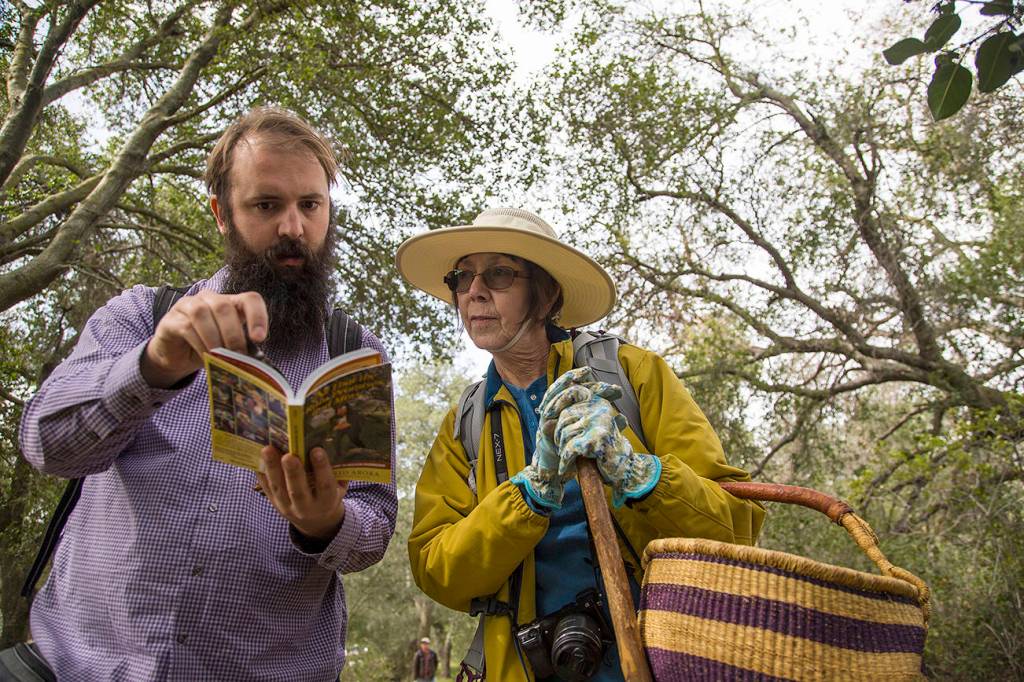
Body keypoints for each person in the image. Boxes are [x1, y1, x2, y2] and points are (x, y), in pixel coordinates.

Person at [19, 107, 397, 680]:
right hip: (79, 664)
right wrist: (153, 367)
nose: (293, 228)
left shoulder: (355, 356)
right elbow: (47, 445)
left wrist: (326, 522)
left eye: (310, 205)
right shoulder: (139, 317)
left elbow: (374, 530)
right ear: (222, 213)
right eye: (266, 205)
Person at [397, 207, 765, 681]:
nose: (474, 291)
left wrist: (640, 473)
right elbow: (436, 570)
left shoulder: (634, 374)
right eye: (462, 277)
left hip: (662, 661)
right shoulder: (463, 426)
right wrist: (529, 494)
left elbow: (735, 529)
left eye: (499, 274)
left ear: (547, 293)